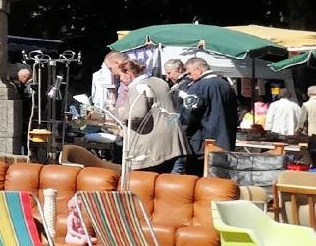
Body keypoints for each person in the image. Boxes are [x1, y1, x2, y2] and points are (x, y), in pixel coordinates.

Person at [103, 52, 183, 180]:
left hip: (152, 149)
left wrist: (121, 113)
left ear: (128, 73)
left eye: (120, 76)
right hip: (174, 143)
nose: (116, 77)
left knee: (146, 187)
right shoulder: (160, 82)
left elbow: (136, 115)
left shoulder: (138, 86)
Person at [179, 56, 243, 174]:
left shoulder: (198, 86)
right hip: (226, 140)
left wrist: (183, 132)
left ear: (199, 70)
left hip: (203, 144)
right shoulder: (226, 85)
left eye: (190, 73)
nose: (188, 76)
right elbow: (237, 111)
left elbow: (190, 115)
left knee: (199, 180)